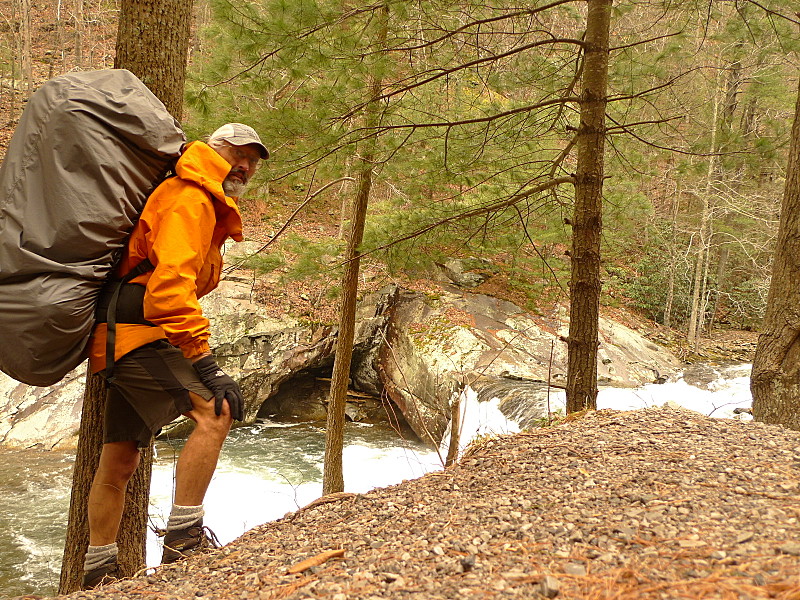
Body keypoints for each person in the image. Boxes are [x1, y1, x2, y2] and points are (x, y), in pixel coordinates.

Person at [81, 123, 268, 589]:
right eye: (236, 154)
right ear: (212, 150)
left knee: (120, 459)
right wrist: (205, 361)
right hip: (136, 327)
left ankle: (96, 570)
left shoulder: (199, 194)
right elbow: (166, 292)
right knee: (215, 411)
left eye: (252, 160)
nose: (243, 166)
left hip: (122, 326)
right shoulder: (192, 197)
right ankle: (184, 538)